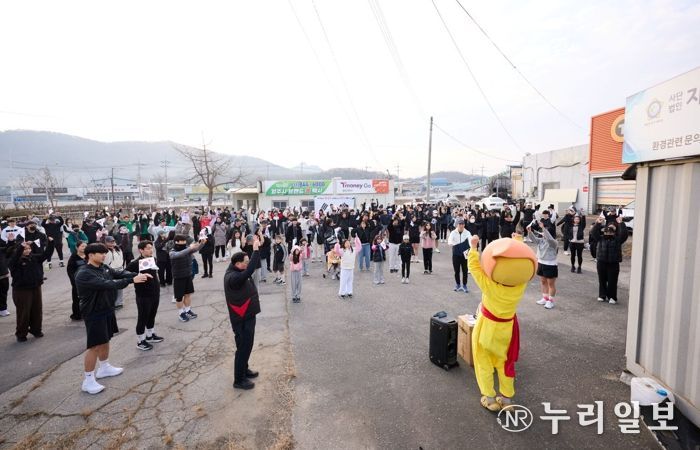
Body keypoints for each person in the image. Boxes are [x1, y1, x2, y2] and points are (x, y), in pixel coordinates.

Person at [467, 234, 537, 411]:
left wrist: (474, 248)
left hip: (487, 328)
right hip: (507, 330)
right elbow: (517, 265)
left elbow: (474, 268)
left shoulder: (490, 286)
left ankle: (490, 399)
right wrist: (518, 243)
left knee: (483, 362)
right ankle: (506, 400)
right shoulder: (519, 286)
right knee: (505, 363)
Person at [76, 243, 150, 394]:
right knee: (94, 346)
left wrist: (136, 274)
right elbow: (108, 284)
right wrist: (132, 280)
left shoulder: (103, 267)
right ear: (91, 255)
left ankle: (104, 367)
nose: (104, 255)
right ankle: (88, 381)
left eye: (105, 253)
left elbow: (119, 273)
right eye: (101, 253)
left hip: (107, 309)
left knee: (105, 339)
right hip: (94, 312)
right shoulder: (84, 273)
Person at [224, 236, 262, 390]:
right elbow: (250, 269)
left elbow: (248, 265)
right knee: (243, 348)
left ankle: (244, 370)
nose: (247, 264)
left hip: (247, 315)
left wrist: (252, 246)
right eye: (245, 262)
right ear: (237, 264)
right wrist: (256, 250)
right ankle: (239, 380)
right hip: (242, 319)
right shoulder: (233, 277)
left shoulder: (237, 268)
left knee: (247, 346)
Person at [9, 238, 53, 341]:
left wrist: (51, 243)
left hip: (36, 287)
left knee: (37, 310)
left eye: (29, 248)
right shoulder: (15, 261)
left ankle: (36, 330)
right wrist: (21, 247)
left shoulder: (34, 258)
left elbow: (46, 254)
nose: (28, 250)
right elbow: (15, 258)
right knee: (24, 313)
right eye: (25, 249)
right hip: (22, 290)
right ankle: (21, 334)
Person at [125, 240, 164, 351]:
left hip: (155, 292)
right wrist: (137, 275)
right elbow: (125, 274)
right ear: (141, 250)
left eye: (151, 248)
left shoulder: (153, 259)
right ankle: (140, 340)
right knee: (143, 317)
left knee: (152, 315)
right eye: (148, 248)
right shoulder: (135, 263)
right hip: (143, 295)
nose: (151, 250)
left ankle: (150, 335)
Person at [591, 217, 628, 304]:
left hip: (613, 263)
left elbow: (624, 235)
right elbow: (593, 232)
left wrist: (621, 223)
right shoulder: (600, 238)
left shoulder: (617, 239)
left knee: (612, 281)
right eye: (608, 229)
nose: (609, 231)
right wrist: (598, 223)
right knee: (602, 280)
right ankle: (602, 295)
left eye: (612, 228)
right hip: (601, 262)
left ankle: (612, 297)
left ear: (615, 230)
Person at [169, 235, 203, 322]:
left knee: (188, 294)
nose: (184, 242)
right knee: (179, 297)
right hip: (178, 277)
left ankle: (188, 310)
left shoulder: (187, 248)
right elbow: (179, 254)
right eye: (182, 241)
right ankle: (181, 313)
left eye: (185, 241)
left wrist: (202, 243)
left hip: (188, 275)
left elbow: (196, 249)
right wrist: (189, 248)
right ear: (176, 242)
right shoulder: (172, 252)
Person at [527, 218, 558, 309]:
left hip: (550, 264)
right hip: (541, 263)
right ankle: (545, 298)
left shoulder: (554, 242)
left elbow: (549, 238)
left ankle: (550, 301)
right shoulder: (541, 240)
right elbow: (533, 239)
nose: (543, 233)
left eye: (545, 232)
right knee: (543, 282)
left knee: (550, 284)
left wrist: (544, 228)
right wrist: (529, 231)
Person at [448, 218, 472, 293]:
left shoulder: (467, 232)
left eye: (462, 224)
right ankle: (458, 284)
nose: (461, 226)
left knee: (465, 271)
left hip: (465, 253)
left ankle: (464, 285)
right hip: (456, 253)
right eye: (460, 224)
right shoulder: (453, 232)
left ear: (464, 225)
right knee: (456, 271)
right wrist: (451, 243)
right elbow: (450, 240)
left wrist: (472, 246)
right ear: (457, 225)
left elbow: (470, 240)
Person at [66, 241, 87, 321]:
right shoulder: (73, 258)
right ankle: (77, 314)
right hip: (77, 282)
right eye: (82, 246)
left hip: (88, 281)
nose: (84, 248)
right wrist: (74, 282)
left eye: (85, 246)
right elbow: (70, 271)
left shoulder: (89, 256)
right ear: (77, 247)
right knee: (77, 299)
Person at [103, 236, 125, 308]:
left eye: (113, 242)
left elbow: (121, 259)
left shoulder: (118, 249)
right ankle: (112, 302)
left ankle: (119, 302)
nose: (111, 244)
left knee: (120, 287)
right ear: (105, 243)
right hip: (111, 271)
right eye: (109, 242)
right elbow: (105, 262)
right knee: (112, 287)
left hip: (120, 269)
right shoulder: (105, 251)